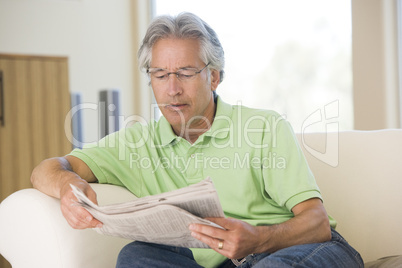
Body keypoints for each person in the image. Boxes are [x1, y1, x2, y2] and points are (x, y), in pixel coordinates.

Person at [31, 12, 363, 268]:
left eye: (186, 73)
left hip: (295, 250)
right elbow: (47, 169)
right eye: (160, 75)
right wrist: (67, 187)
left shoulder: (264, 127)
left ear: (214, 76)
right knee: (135, 256)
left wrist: (259, 239)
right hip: (216, 261)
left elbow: (317, 223)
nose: (172, 88)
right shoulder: (137, 143)